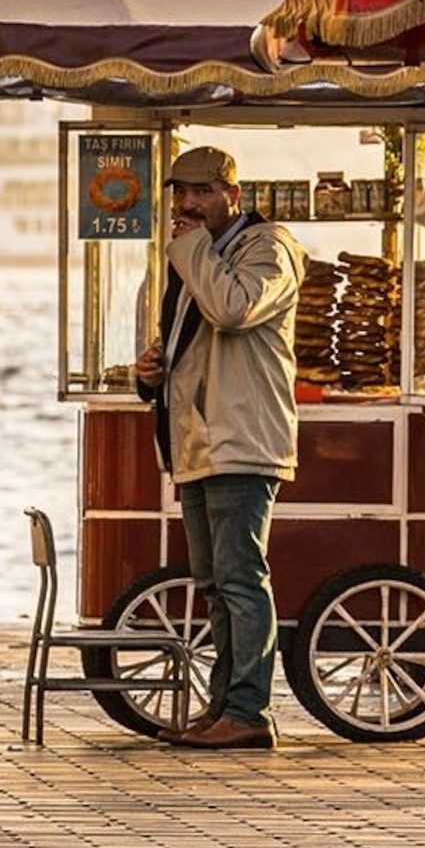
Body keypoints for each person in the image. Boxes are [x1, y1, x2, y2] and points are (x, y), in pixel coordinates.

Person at [132, 145, 305, 750]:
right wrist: (150, 371)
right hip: (198, 441)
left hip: (242, 437)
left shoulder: (269, 248)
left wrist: (191, 248)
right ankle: (224, 704)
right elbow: (190, 334)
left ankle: (249, 711)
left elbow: (232, 309)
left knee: (240, 578)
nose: (189, 204)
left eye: (202, 192)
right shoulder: (195, 254)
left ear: (234, 194)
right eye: (181, 193)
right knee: (213, 581)